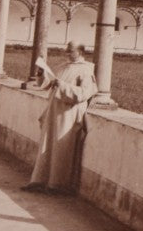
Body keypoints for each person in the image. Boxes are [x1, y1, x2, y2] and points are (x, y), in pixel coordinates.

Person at [26, 43, 97, 192]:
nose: (67, 53)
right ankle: (40, 180)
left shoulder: (86, 70)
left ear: (80, 51)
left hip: (69, 114)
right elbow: (45, 85)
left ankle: (57, 184)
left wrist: (62, 85)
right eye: (67, 50)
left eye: (71, 51)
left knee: (62, 148)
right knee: (47, 145)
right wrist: (41, 73)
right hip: (54, 111)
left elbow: (83, 94)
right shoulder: (63, 67)